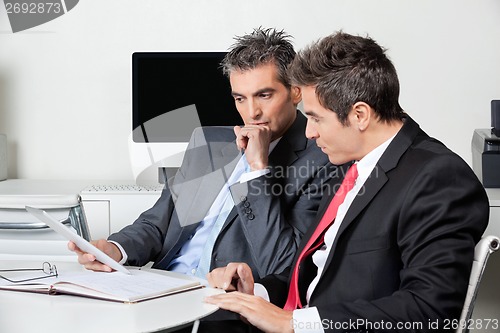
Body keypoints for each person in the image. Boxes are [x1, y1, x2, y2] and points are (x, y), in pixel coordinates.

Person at [205, 31, 490, 333]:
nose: (309, 133)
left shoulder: (438, 177)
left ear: (360, 115)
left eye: (316, 118)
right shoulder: (353, 165)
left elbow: (430, 310)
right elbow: (318, 272)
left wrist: (293, 323)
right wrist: (257, 292)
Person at [68, 27, 334, 282]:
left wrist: (257, 170)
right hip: (164, 285)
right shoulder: (208, 143)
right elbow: (159, 223)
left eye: (264, 95)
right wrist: (116, 249)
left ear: (295, 92)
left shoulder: (323, 160)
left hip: (225, 302)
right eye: (240, 98)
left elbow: (284, 263)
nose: (252, 112)